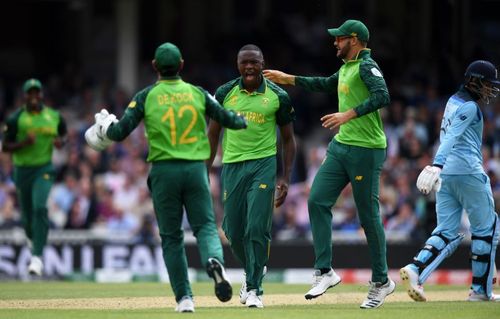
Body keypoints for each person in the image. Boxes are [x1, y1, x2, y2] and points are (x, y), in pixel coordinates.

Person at [85, 42, 247, 312]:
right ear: (181, 65)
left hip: (163, 171)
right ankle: (215, 262)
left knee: (172, 237)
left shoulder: (146, 96)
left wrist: (104, 128)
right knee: (206, 227)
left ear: (154, 67)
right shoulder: (197, 93)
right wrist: (241, 119)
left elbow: (120, 132)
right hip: (195, 169)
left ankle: (185, 298)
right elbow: (229, 119)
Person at [263, 19, 395, 308]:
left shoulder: (366, 66)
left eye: (340, 38)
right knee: (317, 200)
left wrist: (347, 115)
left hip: (366, 151)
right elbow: (324, 83)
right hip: (341, 147)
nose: (335, 42)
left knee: (368, 217)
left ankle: (381, 281)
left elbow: (382, 95)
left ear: (356, 40)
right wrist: (288, 78)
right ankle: (325, 271)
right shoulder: (347, 68)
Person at [400, 60, 500, 302]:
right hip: (468, 173)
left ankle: (415, 269)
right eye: (486, 85)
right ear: (474, 81)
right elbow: (452, 136)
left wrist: (440, 167)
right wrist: (436, 163)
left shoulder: (451, 101)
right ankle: (480, 291)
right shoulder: (470, 108)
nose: (490, 91)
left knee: (445, 231)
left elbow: (447, 135)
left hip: (446, 178)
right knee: (487, 230)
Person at [207, 44, 296, 308]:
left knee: (257, 228)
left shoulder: (278, 95)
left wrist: (286, 177)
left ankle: (255, 288)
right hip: (232, 167)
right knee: (232, 230)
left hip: (263, 165)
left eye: (254, 62)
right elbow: (212, 135)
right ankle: (254, 269)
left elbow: (289, 140)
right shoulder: (224, 93)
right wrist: (203, 172)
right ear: (237, 64)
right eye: (244, 62)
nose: (249, 67)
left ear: (262, 63)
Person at [2, 78, 67, 276]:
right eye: (29, 93)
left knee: (40, 207)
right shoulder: (16, 119)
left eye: (36, 92)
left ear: (41, 95)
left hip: (44, 168)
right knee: (27, 217)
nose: (33, 96)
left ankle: (37, 257)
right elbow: (5, 146)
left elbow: (62, 136)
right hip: (22, 170)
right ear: (25, 96)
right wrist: (24, 143)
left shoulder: (54, 116)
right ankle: (32, 237)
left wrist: (59, 143)